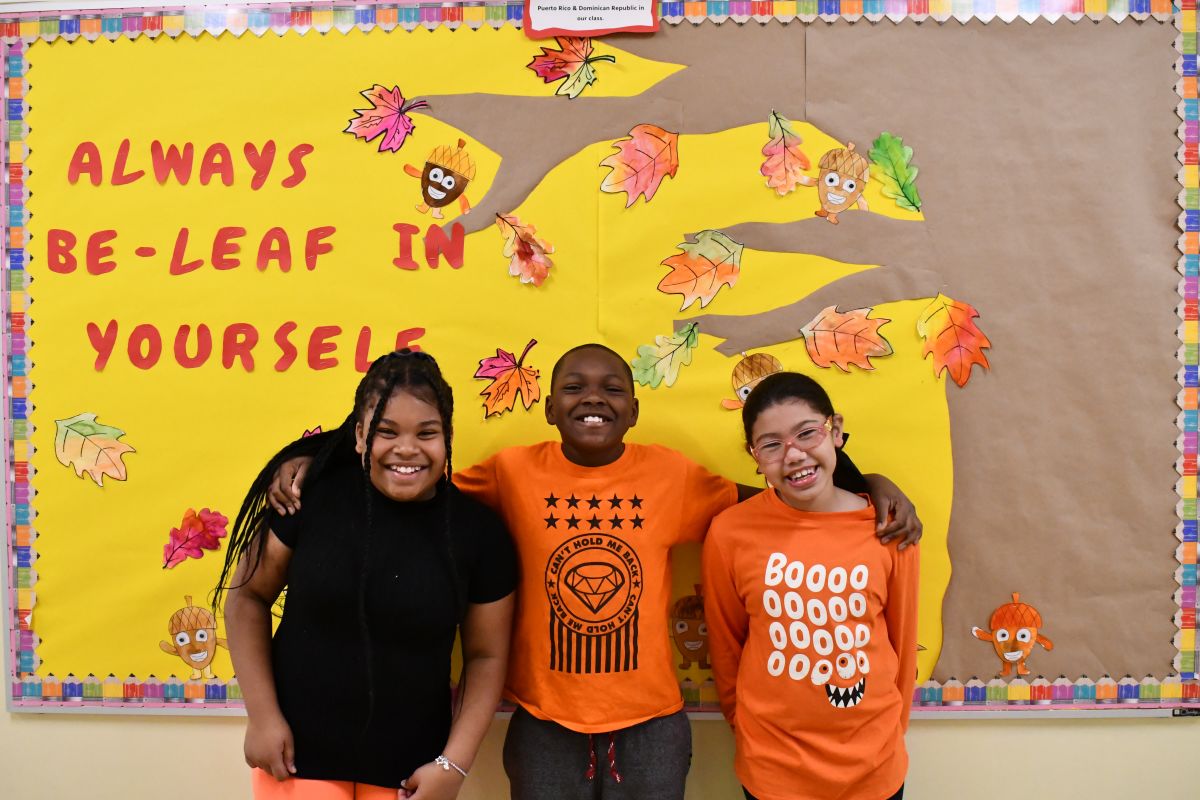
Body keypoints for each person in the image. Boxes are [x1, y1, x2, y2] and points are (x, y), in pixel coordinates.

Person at [269, 343, 920, 800]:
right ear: (549, 409)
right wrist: (310, 459)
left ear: (634, 411)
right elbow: (414, 470)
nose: (593, 400)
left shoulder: (672, 474)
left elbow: (780, 493)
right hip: (543, 718)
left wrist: (870, 484)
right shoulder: (512, 471)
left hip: (653, 720)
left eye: (613, 389)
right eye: (574, 388)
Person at [215, 350, 517, 800]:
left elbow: (486, 657)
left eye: (427, 433)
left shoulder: (479, 533)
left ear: (447, 436)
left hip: (411, 772)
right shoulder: (307, 498)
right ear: (359, 435)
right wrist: (262, 717)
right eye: (386, 432)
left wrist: (453, 765)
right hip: (297, 758)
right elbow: (246, 597)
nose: (407, 449)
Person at [702, 372, 919, 800]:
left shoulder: (887, 528)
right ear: (755, 456)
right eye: (771, 444)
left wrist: (888, 734)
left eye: (807, 434)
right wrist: (745, 730)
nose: (794, 455)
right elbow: (726, 647)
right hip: (772, 767)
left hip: (873, 766)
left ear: (835, 431)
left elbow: (903, 641)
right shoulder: (730, 532)